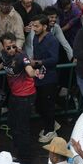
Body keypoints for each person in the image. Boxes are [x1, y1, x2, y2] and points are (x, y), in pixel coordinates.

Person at [0, 32, 37, 164]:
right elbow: (5, 63)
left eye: (13, 46)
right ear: (3, 47)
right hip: (15, 95)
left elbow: (29, 71)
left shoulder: (22, 56)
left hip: (26, 96)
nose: (11, 49)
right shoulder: (4, 54)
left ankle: (25, 160)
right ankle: (17, 153)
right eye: (8, 47)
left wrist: (34, 72)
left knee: (22, 128)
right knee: (12, 124)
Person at [30, 14, 61, 143]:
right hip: (39, 77)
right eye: (33, 26)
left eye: (36, 26)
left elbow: (54, 59)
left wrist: (36, 62)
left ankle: (50, 130)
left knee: (47, 105)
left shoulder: (52, 40)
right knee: (40, 104)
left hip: (49, 78)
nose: (34, 28)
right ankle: (52, 123)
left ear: (45, 26)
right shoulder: (35, 38)